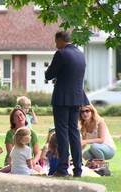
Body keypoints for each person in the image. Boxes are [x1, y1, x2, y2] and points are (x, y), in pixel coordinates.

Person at [45, 31, 89, 177]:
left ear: (60, 40)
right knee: (74, 132)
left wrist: (51, 72)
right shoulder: (80, 54)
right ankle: (78, 169)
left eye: (56, 41)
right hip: (77, 98)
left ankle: (63, 168)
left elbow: (49, 74)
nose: (55, 45)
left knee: (62, 133)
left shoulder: (61, 54)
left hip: (62, 99)